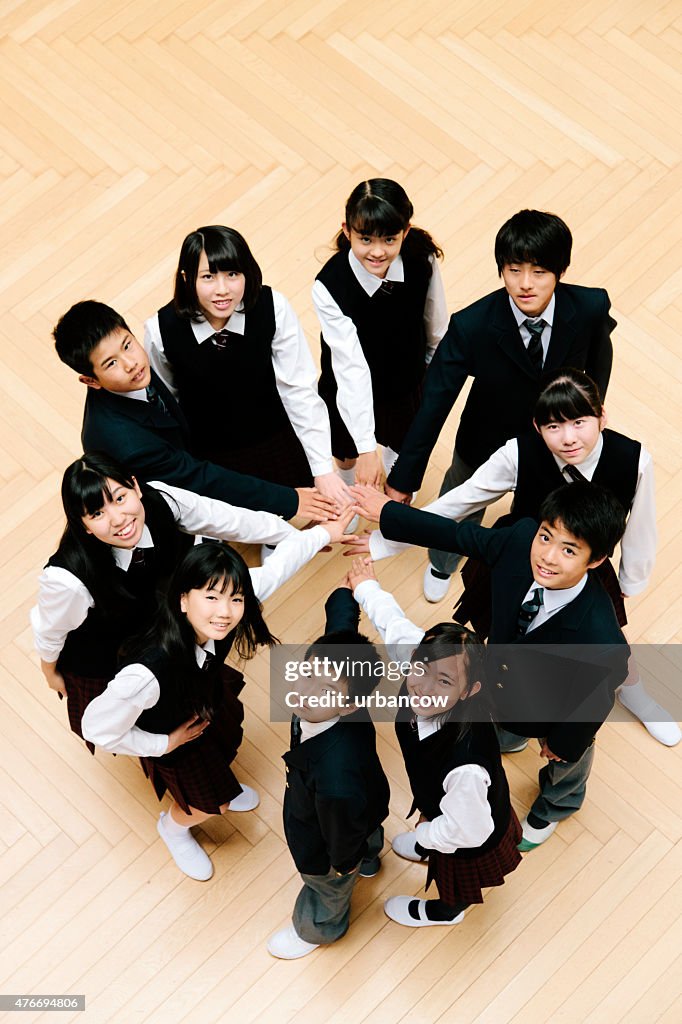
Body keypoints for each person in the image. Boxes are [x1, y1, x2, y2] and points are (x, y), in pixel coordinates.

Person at [353, 369, 678, 745]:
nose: (569, 437)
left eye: (580, 421)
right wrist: (385, 539)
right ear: (538, 427)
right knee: (502, 633)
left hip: (584, 569)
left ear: (601, 417)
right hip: (516, 553)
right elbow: (459, 505)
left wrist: (628, 582)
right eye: (554, 426)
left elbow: (639, 527)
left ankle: (633, 690)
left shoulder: (634, 460)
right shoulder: (517, 453)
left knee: (604, 647)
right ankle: (510, 704)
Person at [351, 481, 630, 850]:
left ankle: (559, 803)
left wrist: (565, 741)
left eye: (568, 550)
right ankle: (511, 736)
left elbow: (597, 699)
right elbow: (457, 535)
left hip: (551, 707)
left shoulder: (600, 640)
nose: (547, 556)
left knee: (570, 755)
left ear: (595, 560)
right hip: (499, 683)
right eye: (546, 538)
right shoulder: (519, 540)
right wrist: (387, 513)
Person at [82, 510, 356, 881]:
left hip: (203, 703)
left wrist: (326, 532)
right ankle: (175, 827)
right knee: (210, 804)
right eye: (211, 597)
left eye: (236, 599)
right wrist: (165, 742)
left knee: (225, 747)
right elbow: (97, 728)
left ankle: (217, 785)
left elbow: (279, 568)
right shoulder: (145, 675)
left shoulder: (221, 613)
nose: (225, 613)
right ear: (183, 599)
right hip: (174, 733)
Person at [383, 210, 616, 601]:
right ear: (501, 269)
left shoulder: (591, 307)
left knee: (541, 515)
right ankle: (442, 562)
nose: (525, 285)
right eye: (514, 270)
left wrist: (589, 417)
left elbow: (598, 362)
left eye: (539, 272)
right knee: (463, 500)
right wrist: (403, 480)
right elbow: (435, 403)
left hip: (553, 444)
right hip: (484, 438)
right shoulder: (471, 326)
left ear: (560, 270)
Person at [31, 451, 302, 752]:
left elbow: (225, 518)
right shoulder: (67, 579)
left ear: (135, 486)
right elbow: (49, 629)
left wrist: (294, 538)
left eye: (120, 498)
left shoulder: (161, 499)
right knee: (143, 715)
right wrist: (50, 672)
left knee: (190, 705)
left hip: (161, 628)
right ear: (83, 525)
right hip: (106, 653)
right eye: (97, 514)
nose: (118, 519)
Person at [53, 300, 338, 524]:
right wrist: (290, 500)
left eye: (127, 345)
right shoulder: (125, 441)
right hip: (162, 506)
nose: (130, 363)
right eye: (111, 363)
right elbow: (198, 478)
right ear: (90, 380)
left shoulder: (132, 377)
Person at [347, 560, 522, 927]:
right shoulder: (426, 661)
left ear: (469, 690)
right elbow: (393, 626)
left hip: (471, 831)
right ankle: (428, 843)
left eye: (444, 682)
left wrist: (427, 831)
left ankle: (445, 913)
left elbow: (471, 830)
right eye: (420, 668)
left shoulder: (466, 767)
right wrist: (365, 587)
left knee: (453, 883)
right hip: (445, 802)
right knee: (437, 826)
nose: (424, 686)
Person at [144, 226, 349, 512]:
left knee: (303, 508)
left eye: (232, 274)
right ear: (186, 278)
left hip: (274, 435)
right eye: (208, 277)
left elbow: (298, 388)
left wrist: (321, 467)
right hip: (210, 451)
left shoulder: (272, 306)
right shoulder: (160, 330)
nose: (222, 290)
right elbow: (169, 398)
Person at [267, 585, 390, 958]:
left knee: (332, 882)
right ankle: (368, 857)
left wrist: (341, 865)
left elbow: (339, 835)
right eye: (307, 673)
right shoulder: (335, 695)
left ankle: (319, 927)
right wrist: (344, 595)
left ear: (351, 705)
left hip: (331, 836)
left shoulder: (335, 780)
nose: (306, 692)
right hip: (368, 799)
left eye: (326, 688)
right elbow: (340, 627)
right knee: (364, 830)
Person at [313, 178, 448, 489]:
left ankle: (396, 497)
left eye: (389, 239)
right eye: (365, 239)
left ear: (405, 231)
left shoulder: (421, 260)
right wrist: (364, 448)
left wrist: (431, 380)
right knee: (345, 453)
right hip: (347, 383)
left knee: (402, 450)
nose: (377, 252)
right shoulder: (329, 285)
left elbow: (436, 324)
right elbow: (350, 367)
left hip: (404, 380)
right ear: (347, 230)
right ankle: (346, 491)